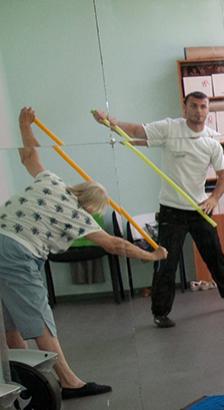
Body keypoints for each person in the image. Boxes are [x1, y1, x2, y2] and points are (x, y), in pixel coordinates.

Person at [1, 107, 168, 399]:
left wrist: (24, 125)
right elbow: (115, 245)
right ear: (92, 207)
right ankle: (68, 382)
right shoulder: (80, 216)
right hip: (18, 252)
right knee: (39, 319)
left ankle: (22, 378)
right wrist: (152, 256)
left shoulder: (51, 181)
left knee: (11, 319)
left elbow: (28, 156)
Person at [92, 91, 224, 329]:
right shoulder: (170, 128)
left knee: (215, 256)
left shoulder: (211, 140)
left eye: (203, 106)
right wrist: (111, 123)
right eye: (194, 106)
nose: (198, 111)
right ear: (185, 108)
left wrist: (213, 199)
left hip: (199, 209)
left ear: (208, 110)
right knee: (166, 261)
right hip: (171, 211)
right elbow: (137, 131)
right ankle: (160, 312)